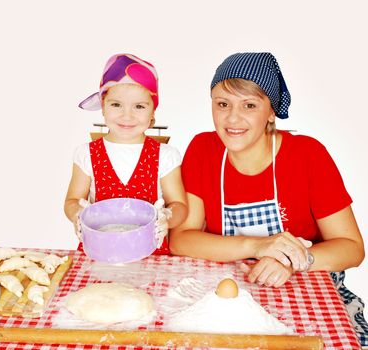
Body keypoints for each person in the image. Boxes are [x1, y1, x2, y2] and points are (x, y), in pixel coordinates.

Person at [170, 52, 367, 345]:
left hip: (304, 293)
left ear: (271, 111)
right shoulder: (203, 149)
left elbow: (352, 248)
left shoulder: (308, 155)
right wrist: (258, 245)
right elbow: (181, 239)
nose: (232, 118)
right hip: (228, 298)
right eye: (223, 104)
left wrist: (294, 261)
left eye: (249, 105)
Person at [64, 53, 187, 254]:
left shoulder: (165, 155)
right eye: (116, 104)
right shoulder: (86, 153)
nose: (126, 115)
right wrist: (78, 214)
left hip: (150, 254)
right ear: (103, 106)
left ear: (152, 112)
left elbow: (179, 205)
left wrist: (167, 216)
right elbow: (71, 200)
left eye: (139, 106)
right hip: (100, 252)